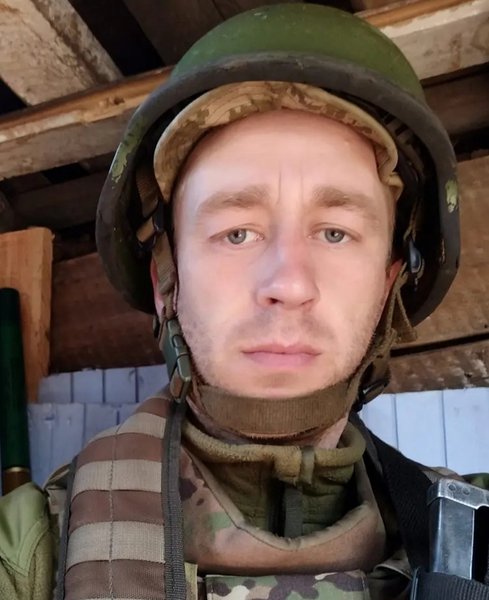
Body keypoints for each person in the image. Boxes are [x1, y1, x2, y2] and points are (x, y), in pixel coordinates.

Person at [1, 4, 488, 600]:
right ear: (166, 283)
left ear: (389, 283)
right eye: (237, 233)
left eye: (335, 232)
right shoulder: (27, 557)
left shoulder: (474, 540)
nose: (289, 283)